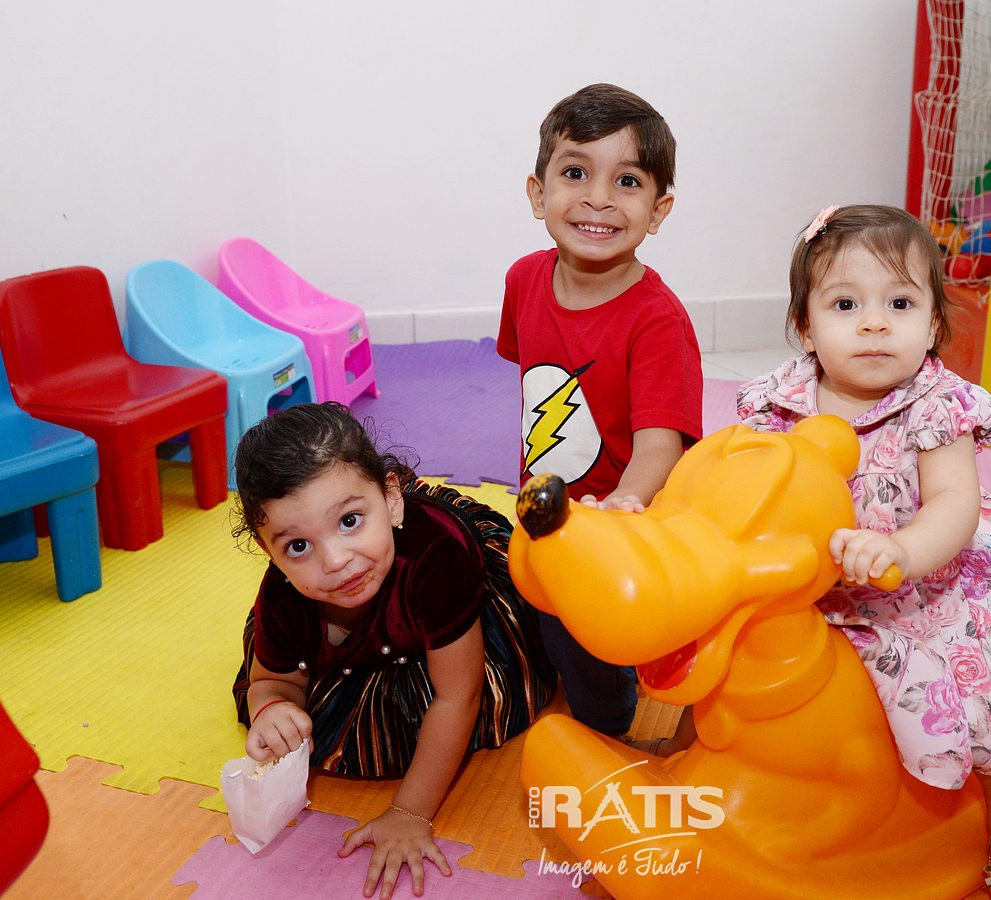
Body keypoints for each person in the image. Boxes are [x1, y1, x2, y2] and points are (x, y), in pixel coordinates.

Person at [736, 205, 991, 900]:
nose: (874, 323)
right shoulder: (777, 405)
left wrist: (901, 550)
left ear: (933, 325)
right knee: (725, 648)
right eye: (846, 304)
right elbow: (740, 490)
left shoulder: (935, 406)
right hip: (808, 583)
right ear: (805, 326)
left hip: (927, 586)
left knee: (983, 694)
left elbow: (953, 504)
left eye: (900, 304)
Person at [230, 402, 555, 900]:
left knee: (463, 700)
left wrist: (409, 812)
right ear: (267, 549)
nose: (335, 561)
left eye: (350, 520)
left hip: (449, 596)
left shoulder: (434, 560)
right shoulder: (286, 594)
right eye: (297, 546)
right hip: (369, 636)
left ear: (391, 500)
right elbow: (272, 680)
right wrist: (271, 708)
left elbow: (459, 696)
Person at [497, 83, 703, 752]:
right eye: (575, 173)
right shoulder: (523, 280)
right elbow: (535, 386)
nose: (598, 198)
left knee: (594, 662)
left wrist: (621, 507)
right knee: (539, 616)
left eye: (628, 181)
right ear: (538, 194)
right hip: (544, 511)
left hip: (621, 530)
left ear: (658, 210)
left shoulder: (657, 321)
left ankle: (610, 721)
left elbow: (661, 445)